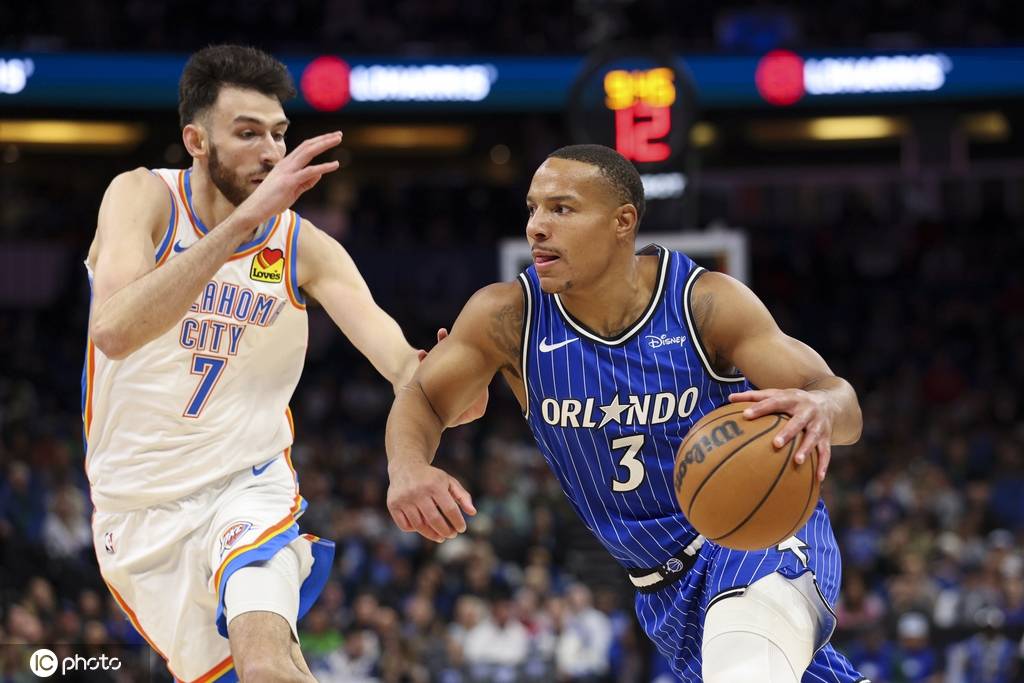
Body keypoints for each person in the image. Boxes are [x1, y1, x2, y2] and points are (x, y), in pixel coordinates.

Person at [385, 144, 868, 682]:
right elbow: (422, 397)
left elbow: (840, 402)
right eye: (533, 208)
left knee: (745, 669)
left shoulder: (704, 303)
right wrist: (408, 468)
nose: (537, 227)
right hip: (663, 588)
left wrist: (821, 407)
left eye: (561, 209)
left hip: (758, 537)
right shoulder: (507, 318)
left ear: (623, 221)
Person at [83, 45, 482, 682]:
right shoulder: (142, 196)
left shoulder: (304, 245)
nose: (271, 152)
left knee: (265, 661)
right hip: (136, 504)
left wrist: (452, 386)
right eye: (247, 134)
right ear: (196, 141)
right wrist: (243, 222)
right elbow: (113, 330)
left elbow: (404, 369)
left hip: (248, 483)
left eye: (278, 133)